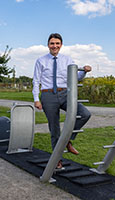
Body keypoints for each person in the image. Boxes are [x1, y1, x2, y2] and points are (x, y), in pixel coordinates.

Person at [32, 33, 91, 169]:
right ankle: (57, 159)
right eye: (52, 43)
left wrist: (85, 71)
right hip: (48, 95)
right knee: (54, 129)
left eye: (57, 43)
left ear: (61, 45)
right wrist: (36, 99)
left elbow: (76, 77)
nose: (55, 46)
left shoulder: (67, 59)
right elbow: (36, 81)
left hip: (65, 94)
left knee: (84, 114)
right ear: (48, 45)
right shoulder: (41, 60)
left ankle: (67, 141)